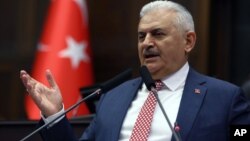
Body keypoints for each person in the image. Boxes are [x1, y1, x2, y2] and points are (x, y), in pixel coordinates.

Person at [20, 0, 250, 141]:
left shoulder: (224, 98)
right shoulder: (112, 98)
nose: (146, 43)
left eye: (158, 34)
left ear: (188, 41)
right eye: (142, 36)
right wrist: (54, 115)